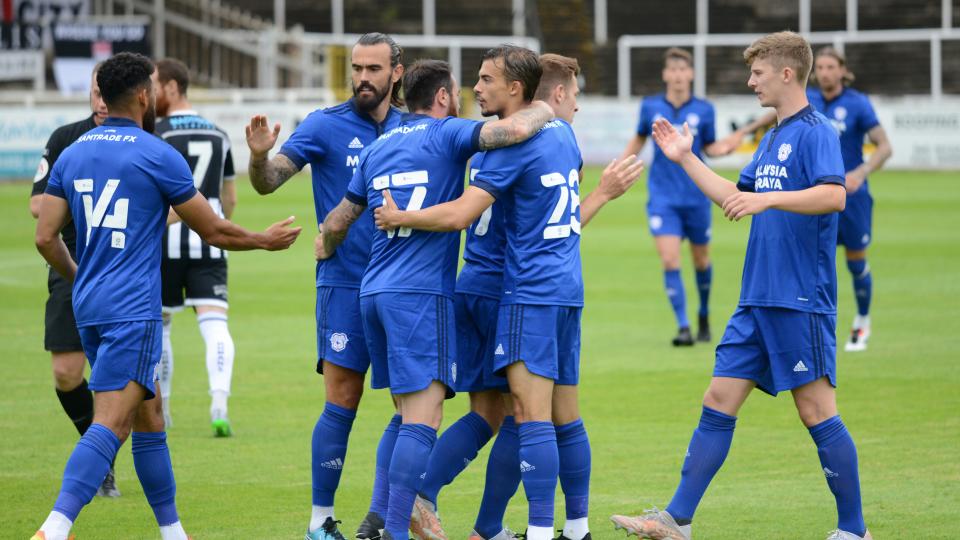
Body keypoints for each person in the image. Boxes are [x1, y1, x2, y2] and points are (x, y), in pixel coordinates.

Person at [608, 31, 871, 540]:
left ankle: (854, 531)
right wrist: (686, 157)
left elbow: (834, 196)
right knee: (718, 398)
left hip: (799, 299)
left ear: (787, 74)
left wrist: (768, 200)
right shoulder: (771, 137)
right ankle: (676, 520)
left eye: (757, 73)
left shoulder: (817, 131)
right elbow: (735, 195)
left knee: (817, 411)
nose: (751, 82)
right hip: (756, 299)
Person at [372, 46, 641, 540]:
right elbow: (554, 222)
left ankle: (455, 513)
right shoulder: (552, 140)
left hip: (476, 282)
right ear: (553, 95)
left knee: (490, 413)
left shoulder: (488, 147)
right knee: (527, 414)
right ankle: (488, 520)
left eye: (485, 79)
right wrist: (601, 194)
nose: (576, 105)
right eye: (572, 95)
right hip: (510, 290)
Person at [32, 51, 300, 540]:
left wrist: (79, 275)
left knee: (150, 415)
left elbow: (45, 236)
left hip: (89, 304)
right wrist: (264, 240)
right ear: (142, 95)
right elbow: (214, 229)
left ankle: (173, 532)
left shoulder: (74, 151)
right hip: (132, 309)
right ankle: (54, 527)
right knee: (113, 423)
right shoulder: (156, 154)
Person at [316, 56, 555, 540]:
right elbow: (511, 131)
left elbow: (340, 218)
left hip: (373, 291)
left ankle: (379, 521)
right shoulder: (447, 134)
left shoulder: (378, 146)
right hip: (419, 295)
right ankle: (396, 530)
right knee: (423, 419)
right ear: (443, 96)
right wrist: (548, 107)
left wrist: (326, 243)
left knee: (406, 413)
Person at [245, 32, 407, 540]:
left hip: (403, 287)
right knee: (342, 399)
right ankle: (320, 522)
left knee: (414, 406)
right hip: (343, 283)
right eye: (357, 68)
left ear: (396, 72)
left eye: (373, 69)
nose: (362, 78)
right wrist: (258, 158)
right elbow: (269, 181)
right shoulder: (324, 124)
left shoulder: (413, 127)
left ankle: (386, 516)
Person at [720, 46, 892, 352]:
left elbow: (884, 146)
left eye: (831, 67)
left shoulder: (854, 105)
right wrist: (741, 133)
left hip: (850, 195)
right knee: (811, 255)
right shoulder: (800, 105)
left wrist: (860, 172)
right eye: (821, 67)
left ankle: (862, 319)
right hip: (800, 196)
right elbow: (770, 122)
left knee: (855, 262)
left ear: (842, 70)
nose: (825, 72)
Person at [29, 62, 120, 498]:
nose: (101, 101)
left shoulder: (142, 140)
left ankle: (105, 463)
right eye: (95, 92)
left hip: (121, 269)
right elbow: (37, 205)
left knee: (123, 381)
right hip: (71, 265)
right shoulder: (66, 138)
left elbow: (177, 205)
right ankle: (100, 453)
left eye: (108, 93)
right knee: (67, 374)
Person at [620, 48, 737, 346]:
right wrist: (621, 164)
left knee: (701, 260)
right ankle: (683, 327)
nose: (677, 76)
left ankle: (703, 314)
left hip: (697, 197)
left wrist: (726, 147)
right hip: (663, 198)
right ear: (665, 75)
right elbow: (639, 139)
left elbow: (710, 148)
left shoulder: (704, 109)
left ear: (691, 74)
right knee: (670, 259)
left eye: (682, 70)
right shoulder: (650, 106)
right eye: (672, 70)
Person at [151, 57, 239, 435]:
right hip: (210, 243)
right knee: (215, 325)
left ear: (172, 88)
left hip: (165, 242)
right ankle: (219, 406)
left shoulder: (157, 133)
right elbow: (229, 197)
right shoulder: (219, 134)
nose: (150, 94)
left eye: (154, 86)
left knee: (161, 328)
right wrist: (216, 224)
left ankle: (164, 410)